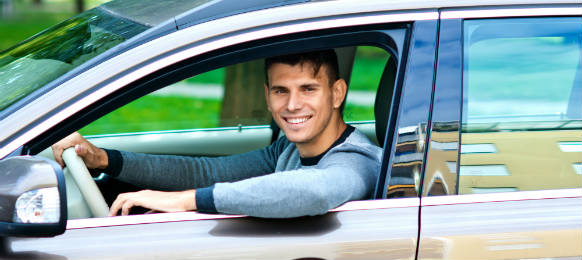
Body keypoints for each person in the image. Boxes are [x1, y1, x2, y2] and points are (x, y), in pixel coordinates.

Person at [52, 49, 382, 218]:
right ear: (267, 96)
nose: (293, 104)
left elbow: (314, 193)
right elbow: (208, 172)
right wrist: (103, 159)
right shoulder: (287, 151)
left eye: (308, 89)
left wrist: (185, 201)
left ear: (337, 93)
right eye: (281, 91)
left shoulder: (357, 160)